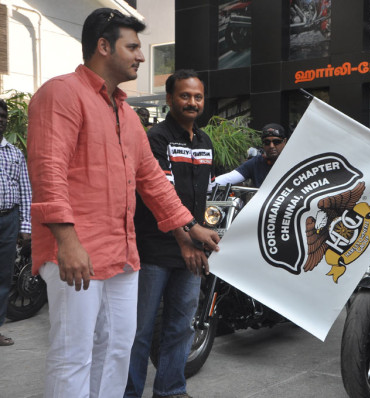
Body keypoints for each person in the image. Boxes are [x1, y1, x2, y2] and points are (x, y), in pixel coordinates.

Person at [26, 9, 219, 398]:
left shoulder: (128, 115)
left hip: (124, 254)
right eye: (132, 47)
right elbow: (48, 172)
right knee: (73, 355)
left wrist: (190, 226)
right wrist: (67, 241)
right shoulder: (61, 93)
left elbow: (153, 183)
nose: (141, 56)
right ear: (103, 46)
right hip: (76, 251)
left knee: (117, 350)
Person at [125, 69, 213, 398]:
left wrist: (200, 238)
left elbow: (202, 195)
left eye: (198, 96)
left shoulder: (205, 142)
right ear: (169, 99)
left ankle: (171, 389)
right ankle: (130, 392)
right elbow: (162, 191)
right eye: (185, 95)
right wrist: (191, 234)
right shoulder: (156, 139)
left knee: (180, 326)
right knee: (140, 330)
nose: (192, 102)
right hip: (154, 249)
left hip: (192, 248)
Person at [0, 98, 31, 347]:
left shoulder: (15, 153)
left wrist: (25, 226)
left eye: (3, 117)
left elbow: (25, 191)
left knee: (3, 276)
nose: (0, 121)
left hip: (8, 220)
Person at [214, 123, 288, 188]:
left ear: (284, 142)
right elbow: (228, 178)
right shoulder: (255, 163)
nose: (271, 146)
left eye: (276, 142)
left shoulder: (293, 161)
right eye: (267, 142)